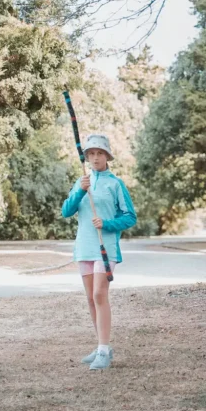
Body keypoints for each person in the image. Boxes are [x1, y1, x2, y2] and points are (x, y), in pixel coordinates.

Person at [61, 134, 137, 371]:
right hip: (83, 246)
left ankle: (103, 351)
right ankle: (101, 345)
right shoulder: (81, 181)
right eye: (91, 154)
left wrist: (106, 223)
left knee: (99, 296)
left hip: (105, 248)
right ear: (87, 157)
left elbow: (130, 217)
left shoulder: (115, 184)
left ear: (107, 156)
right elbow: (66, 211)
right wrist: (80, 192)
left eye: (100, 153)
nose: (95, 158)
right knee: (90, 299)